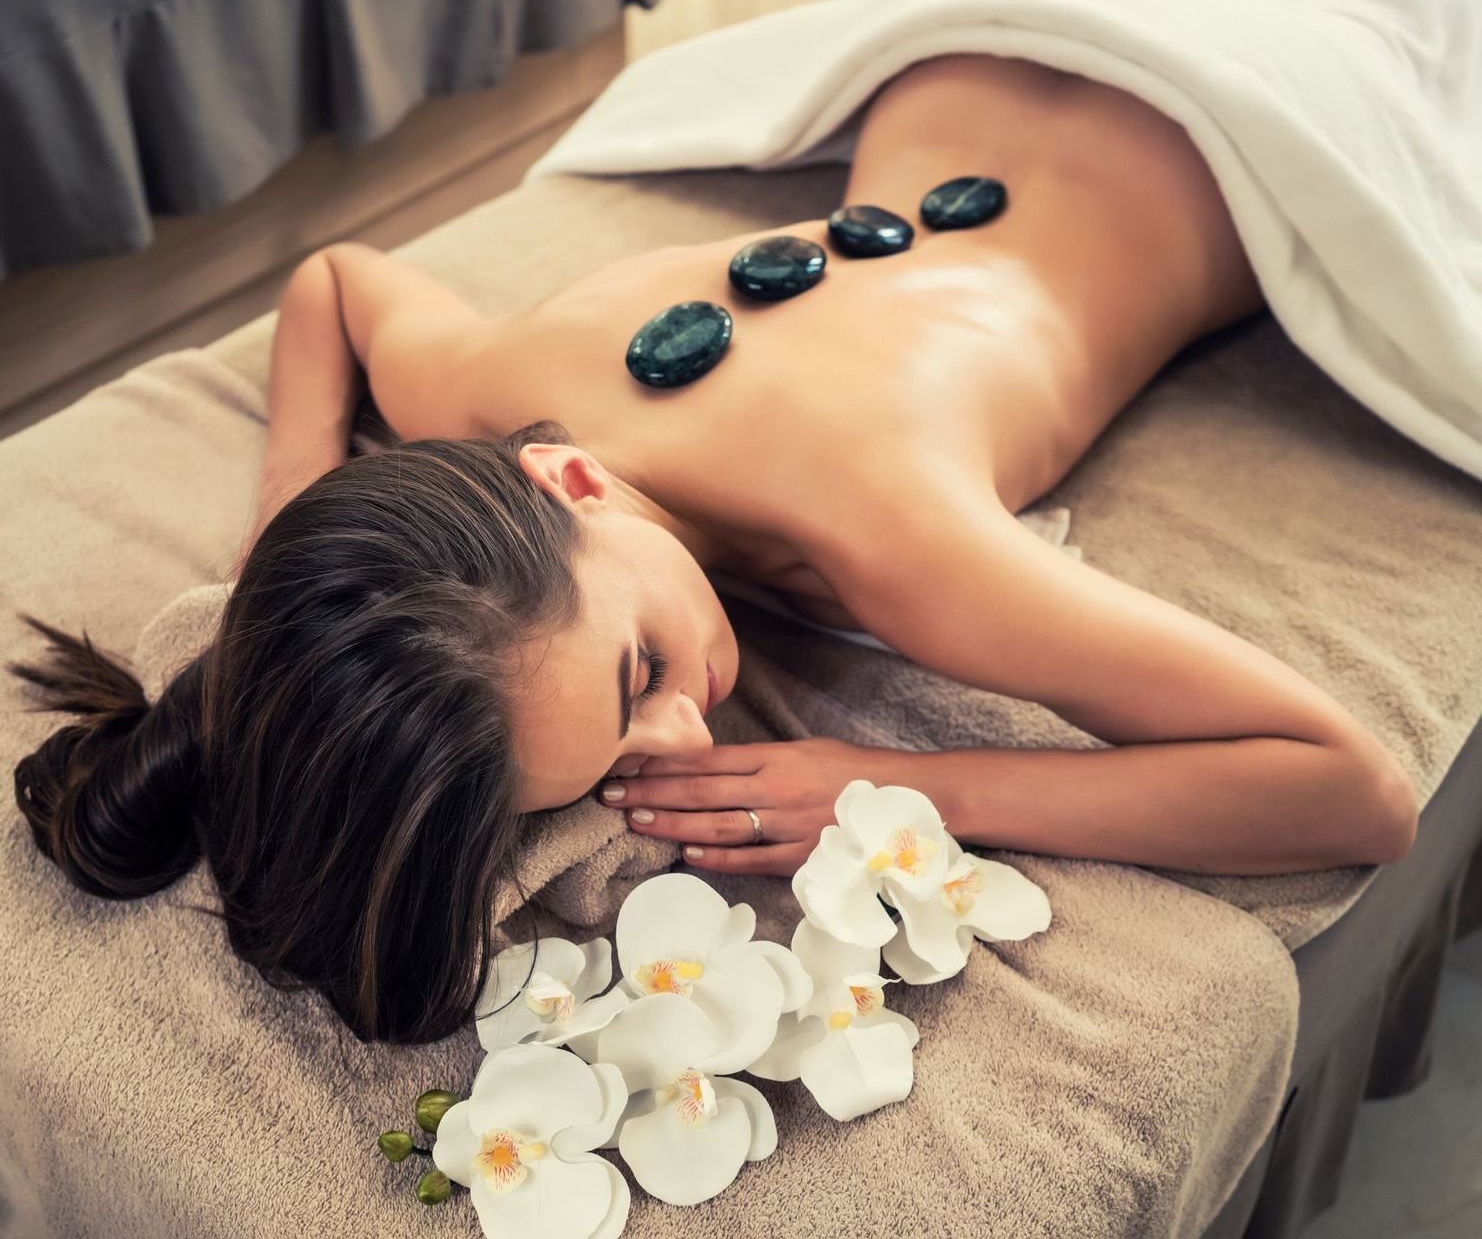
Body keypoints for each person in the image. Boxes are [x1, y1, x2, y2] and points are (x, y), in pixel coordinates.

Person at [8, 53, 1418, 1045]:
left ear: (564, 477)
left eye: (637, 671)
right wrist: (294, 507)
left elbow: (1349, 791)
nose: (682, 728)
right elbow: (337, 285)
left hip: (1250, 113)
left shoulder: (889, 533)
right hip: (972, 58)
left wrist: (902, 779)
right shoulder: (497, 407)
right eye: (625, 755)